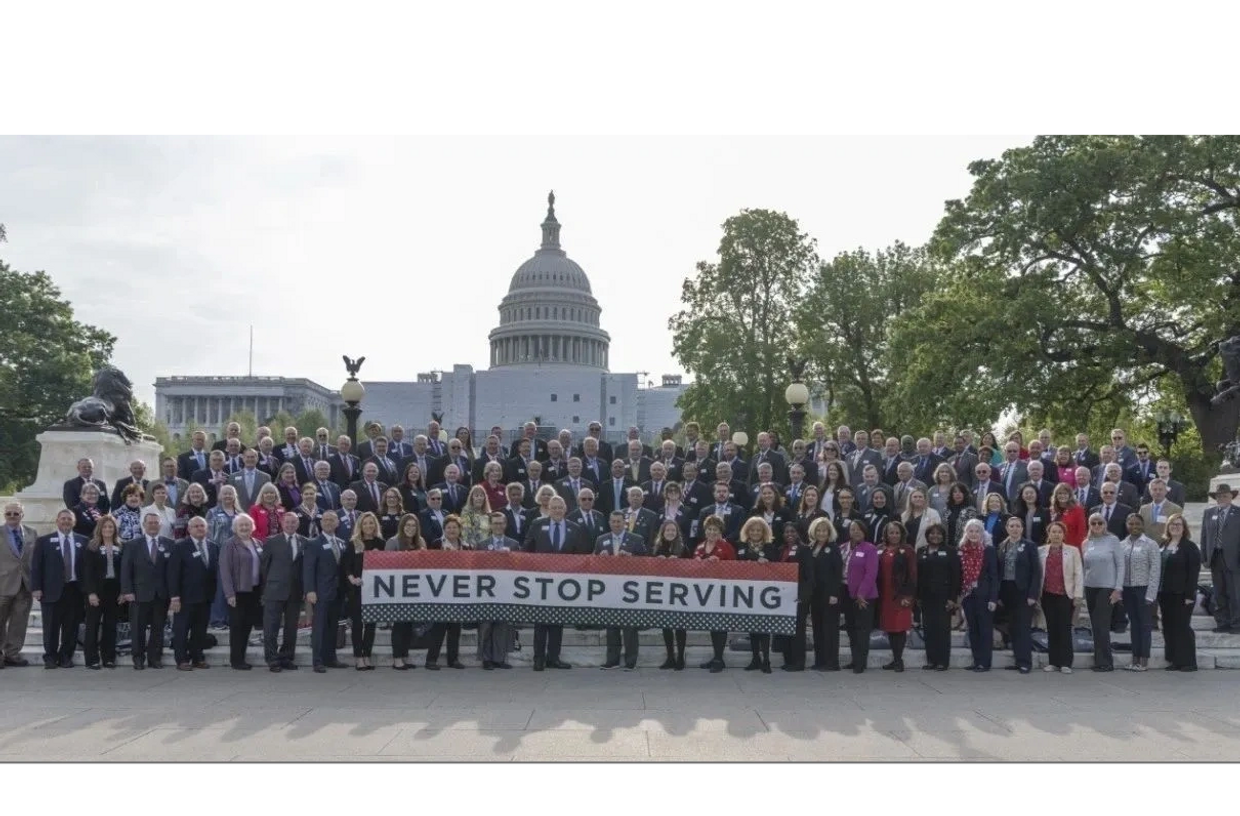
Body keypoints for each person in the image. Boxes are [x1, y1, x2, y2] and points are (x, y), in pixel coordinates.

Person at [522, 496, 583, 671]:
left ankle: (554, 658)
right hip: (541, 581)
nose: (557, 510)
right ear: (548, 509)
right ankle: (538, 659)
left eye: (560, 507)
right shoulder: (537, 524)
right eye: (553, 507)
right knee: (541, 622)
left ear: (565, 509)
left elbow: (580, 554)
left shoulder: (574, 528)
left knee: (558, 621)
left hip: (564, 583)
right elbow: (527, 549)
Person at [32, 509, 89, 668]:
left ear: (74, 522)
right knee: (51, 627)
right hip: (51, 591)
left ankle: (65, 657)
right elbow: (36, 566)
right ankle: (50, 657)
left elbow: (87, 567)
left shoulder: (83, 541)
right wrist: (36, 587)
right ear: (57, 521)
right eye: (63, 518)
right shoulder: (44, 541)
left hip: (75, 590)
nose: (66, 521)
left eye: (69, 519)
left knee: (71, 627)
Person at [595, 510, 648, 670]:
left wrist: (632, 558)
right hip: (609, 589)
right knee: (611, 626)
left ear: (625, 523)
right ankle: (612, 660)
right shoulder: (601, 539)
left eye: (619, 521)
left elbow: (646, 563)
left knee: (629, 627)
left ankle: (631, 661)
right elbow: (593, 563)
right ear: (609, 523)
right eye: (613, 521)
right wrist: (600, 557)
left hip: (630, 590)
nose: (616, 524)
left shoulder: (636, 539)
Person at [120, 511, 173, 670]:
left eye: (156, 523)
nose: (153, 526)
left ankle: (155, 658)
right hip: (138, 594)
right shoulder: (132, 545)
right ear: (144, 525)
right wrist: (127, 591)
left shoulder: (169, 544)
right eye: (150, 523)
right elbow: (126, 570)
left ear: (160, 525)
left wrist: (173, 594)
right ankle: (138, 658)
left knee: (158, 628)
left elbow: (172, 571)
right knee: (138, 628)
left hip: (161, 594)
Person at [303, 511, 352, 673]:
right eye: (325, 520)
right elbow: (308, 569)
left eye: (332, 520)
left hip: (338, 592)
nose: (328, 522)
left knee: (333, 627)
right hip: (321, 592)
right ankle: (317, 661)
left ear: (337, 523)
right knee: (319, 628)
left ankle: (331, 658)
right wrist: (310, 590)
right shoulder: (314, 543)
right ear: (321, 523)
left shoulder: (342, 543)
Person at [168, 516, 218, 670]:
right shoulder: (180, 547)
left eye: (202, 526)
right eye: (196, 526)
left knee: (200, 630)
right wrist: (174, 597)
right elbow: (173, 574)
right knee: (182, 630)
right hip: (185, 597)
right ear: (189, 529)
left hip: (206, 597)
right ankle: (182, 660)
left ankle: (197, 658)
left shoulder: (213, 547)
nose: (199, 528)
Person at [260, 511, 307, 672]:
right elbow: (264, 567)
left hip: (295, 591)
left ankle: (286, 657)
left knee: (291, 628)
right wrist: (265, 589)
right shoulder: (271, 541)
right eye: (287, 522)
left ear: (298, 524)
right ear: (282, 523)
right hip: (274, 590)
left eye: (293, 522)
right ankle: (272, 659)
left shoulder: (305, 541)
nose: (290, 525)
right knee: (271, 627)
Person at [995, 515, 1042, 674]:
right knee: (1013, 627)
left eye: (1018, 526)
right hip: (1006, 590)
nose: (1015, 529)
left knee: (1022, 627)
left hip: (1023, 592)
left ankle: (1025, 662)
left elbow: (1036, 572)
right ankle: (1017, 659)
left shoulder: (1029, 546)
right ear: (1007, 528)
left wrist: (1033, 595)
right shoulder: (1002, 545)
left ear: (1022, 529)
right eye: (1012, 526)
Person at [1037, 520, 1084, 673]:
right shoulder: (1041, 551)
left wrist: (1078, 595)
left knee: (1064, 628)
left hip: (1065, 595)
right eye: (1053, 532)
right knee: (1051, 628)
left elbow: (1078, 573)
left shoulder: (1073, 551)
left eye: (1059, 532)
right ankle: (1053, 662)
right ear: (1049, 534)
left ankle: (1065, 663)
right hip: (1047, 594)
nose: (1056, 535)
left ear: (1064, 534)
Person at [219, 513, 263, 670]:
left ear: (252, 527)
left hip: (254, 591)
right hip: (237, 592)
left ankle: (242, 657)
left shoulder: (258, 543)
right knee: (237, 627)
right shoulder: (229, 544)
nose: (244, 527)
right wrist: (229, 594)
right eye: (241, 525)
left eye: (247, 525)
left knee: (247, 626)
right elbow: (225, 571)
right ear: (235, 528)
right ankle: (236, 660)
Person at [1158, 513, 1201, 672]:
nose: (1175, 527)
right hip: (1165, 593)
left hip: (1182, 594)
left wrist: (1190, 595)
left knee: (1182, 627)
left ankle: (1188, 662)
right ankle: (1175, 660)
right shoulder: (1163, 544)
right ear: (1168, 527)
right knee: (1168, 627)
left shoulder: (1190, 547)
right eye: (1172, 524)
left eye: (1178, 524)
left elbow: (1193, 573)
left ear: (1184, 528)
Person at [1082, 512, 1125, 672]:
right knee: (1095, 626)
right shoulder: (1086, 542)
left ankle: (1106, 662)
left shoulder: (1113, 540)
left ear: (1105, 524)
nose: (1097, 526)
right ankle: (1098, 659)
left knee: (1102, 625)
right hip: (1090, 587)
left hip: (1107, 587)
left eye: (1100, 523)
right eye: (1093, 523)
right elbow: (1085, 567)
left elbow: (1120, 565)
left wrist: (1118, 588)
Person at [694, 515, 736, 672]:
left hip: (722, 591)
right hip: (704, 593)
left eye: (715, 530)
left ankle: (719, 659)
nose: (712, 532)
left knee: (720, 625)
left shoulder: (726, 546)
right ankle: (715, 656)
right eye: (709, 529)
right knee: (712, 625)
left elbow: (735, 567)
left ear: (720, 531)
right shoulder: (700, 546)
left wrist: (720, 564)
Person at [426, 515, 468, 670]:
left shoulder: (467, 546)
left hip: (458, 592)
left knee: (455, 629)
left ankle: (453, 659)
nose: (452, 530)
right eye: (449, 527)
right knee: (439, 627)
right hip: (441, 591)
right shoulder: (437, 544)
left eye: (455, 527)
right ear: (444, 529)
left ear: (460, 529)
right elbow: (429, 564)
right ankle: (431, 660)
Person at [82, 514, 124, 670]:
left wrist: (123, 591)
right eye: (105, 527)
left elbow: (124, 571)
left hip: (114, 590)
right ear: (100, 529)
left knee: (110, 625)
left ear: (115, 529)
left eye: (111, 527)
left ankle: (109, 658)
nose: (108, 529)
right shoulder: (92, 546)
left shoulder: (121, 546)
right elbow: (87, 571)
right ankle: (91, 659)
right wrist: (91, 592)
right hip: (97, 590)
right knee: (92, 625)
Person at [737, 517, 779, 673]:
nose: (755, 533)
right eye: (752, 530)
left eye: (758, 530)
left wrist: (757, 559)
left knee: (764, 627)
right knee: (752, 627)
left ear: (764, 532)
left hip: (765, 592)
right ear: (747, 531)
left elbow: (775, 565)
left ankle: (766, 660)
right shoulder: (741, 546)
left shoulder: (770, 547)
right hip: (747, 592)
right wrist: (755, 558)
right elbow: (739, 561)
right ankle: (755, 659)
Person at [1120, 513, 1161, 672]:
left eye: (1137, 523)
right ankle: (1134, 659)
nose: (1134, 526)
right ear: (1126, 525)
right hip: (1127, 589)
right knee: (1134, 624)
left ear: (1143, 525)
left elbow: (1155, 570)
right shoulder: (1122, 544)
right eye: (1131, 524)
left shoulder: (1151, 544)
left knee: (1144, 625)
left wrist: (1151, 594)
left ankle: (1144, 660)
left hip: (1144, 589)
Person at [385, 513, 426, 670]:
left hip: (414, 590)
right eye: (408, 525)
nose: (410, 528)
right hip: (397, 590)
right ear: (402, 526)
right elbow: (385, 565)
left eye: (413, 526)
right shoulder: (393, 542)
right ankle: (397, 659)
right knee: (399, 625)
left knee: (409, 625)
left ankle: (404, 656)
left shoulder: (421, 542)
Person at [916, 523, 960, 672]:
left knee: (942, 629)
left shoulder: (950, 551)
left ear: (943, 536)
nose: (935, 536)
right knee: (929, 629)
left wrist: (952, 598)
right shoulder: (921, 551)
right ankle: (931, 660)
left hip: (944, 596)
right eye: (932, 533)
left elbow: (956, 576)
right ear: (927, 535)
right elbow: (918, 575)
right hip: (926, 596)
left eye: (938, 533)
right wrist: (918, 596)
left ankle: (942, 661)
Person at [477, 511, 517, 670]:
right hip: (487, 592)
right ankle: (486, 659)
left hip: (505, 591)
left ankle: (499, 659)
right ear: (490, 525)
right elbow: (477, 568)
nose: (498, 526)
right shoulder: (482, 545)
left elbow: (519, 567)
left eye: (501, 523)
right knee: (486, 626)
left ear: (505, 525)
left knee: (502, 625)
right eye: (495, 523)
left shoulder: (513, 544)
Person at [959, 518, 999, 672]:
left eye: (977, 531)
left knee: (985, 629)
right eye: (971, 531)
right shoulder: (962, 550)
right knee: (973, 629)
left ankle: (984, 662)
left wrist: (993, 598)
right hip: (968, 595)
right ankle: (976, 661)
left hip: (985, 596)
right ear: (966, 533)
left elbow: (994, 576)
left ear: (982, 533)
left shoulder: (989, 550)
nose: (974, 534)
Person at [876, 521, 917, 672]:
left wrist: (908, 596)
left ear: (902, 534)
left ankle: (899, 661)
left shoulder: (908, 550)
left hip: (900, 596)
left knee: (899, 628)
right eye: (891, 533)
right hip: (884, 595)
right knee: (890, 628)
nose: (894, 535)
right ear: (886, 534)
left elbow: (912, 575)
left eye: (897, 533)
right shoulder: (880, 549)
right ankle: (895, 659)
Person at [0, 502, 37, 668]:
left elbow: (35, 559)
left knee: (19, 623)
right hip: (3, 584)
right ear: (4, 515)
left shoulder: (31, 533)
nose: (12, 516)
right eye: (9, 514)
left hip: (25, 585)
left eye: (16, 513)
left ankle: (12, 655)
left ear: (22, 515)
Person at [348, 512, 386, 670]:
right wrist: (352, 579)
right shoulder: (354, 543)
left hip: (374, 590)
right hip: (357, 589)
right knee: (357, 625)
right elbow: (347, 566)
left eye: (371, 523)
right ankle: (358, 657)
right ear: (360, 526)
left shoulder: (381, 543)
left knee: (371, 625)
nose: (368, 526)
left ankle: (367, 655)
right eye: (365, 523)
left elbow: (387, 565)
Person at [651, 519, 689, 670]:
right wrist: (657, 561)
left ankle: (680, 658)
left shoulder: (683, 547)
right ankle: (670, 657)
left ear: (677, 532)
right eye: (668, 530)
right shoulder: (657, 547)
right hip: (663, 592)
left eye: (673, 530)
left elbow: (691, 567)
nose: (670, 532)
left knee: (680, 626)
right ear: (663, 532)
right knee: (666, 626)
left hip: (680, 593)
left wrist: (679, 561)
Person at [807, 517, 843, 671]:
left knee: (830, 629)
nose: (821, 533)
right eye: (818, 530)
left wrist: (834, 594)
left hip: (830, 594)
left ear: (829, 532)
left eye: (824, 530)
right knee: (818, 628)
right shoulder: (812, 547)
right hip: (815, 594)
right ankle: (820, 660)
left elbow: (837, 572)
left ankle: (832, 662)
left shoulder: (833, 548)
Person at [843, 520, 878, 674]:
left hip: (864, 596)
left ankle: (861, 662)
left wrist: (861, 594)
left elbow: (871, 574)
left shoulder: (870, 549)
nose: (855, 532)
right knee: (851, 629)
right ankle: (854, 659)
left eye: (859, 529)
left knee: (862, 630)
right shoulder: (843, 548)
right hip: (846, 593)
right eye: (852, 529)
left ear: (864, 532)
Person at [779, 523, 813, 671]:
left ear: (798, 533)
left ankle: (799, 662)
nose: (789, 534)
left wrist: (803, 596)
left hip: (798, 597)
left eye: (793, 531)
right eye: (786, 532)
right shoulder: (781, 549)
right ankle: (788, 660)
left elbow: (809, 576)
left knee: (798, 630)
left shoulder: (804, 549)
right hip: (783, 597)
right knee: (786, 629)